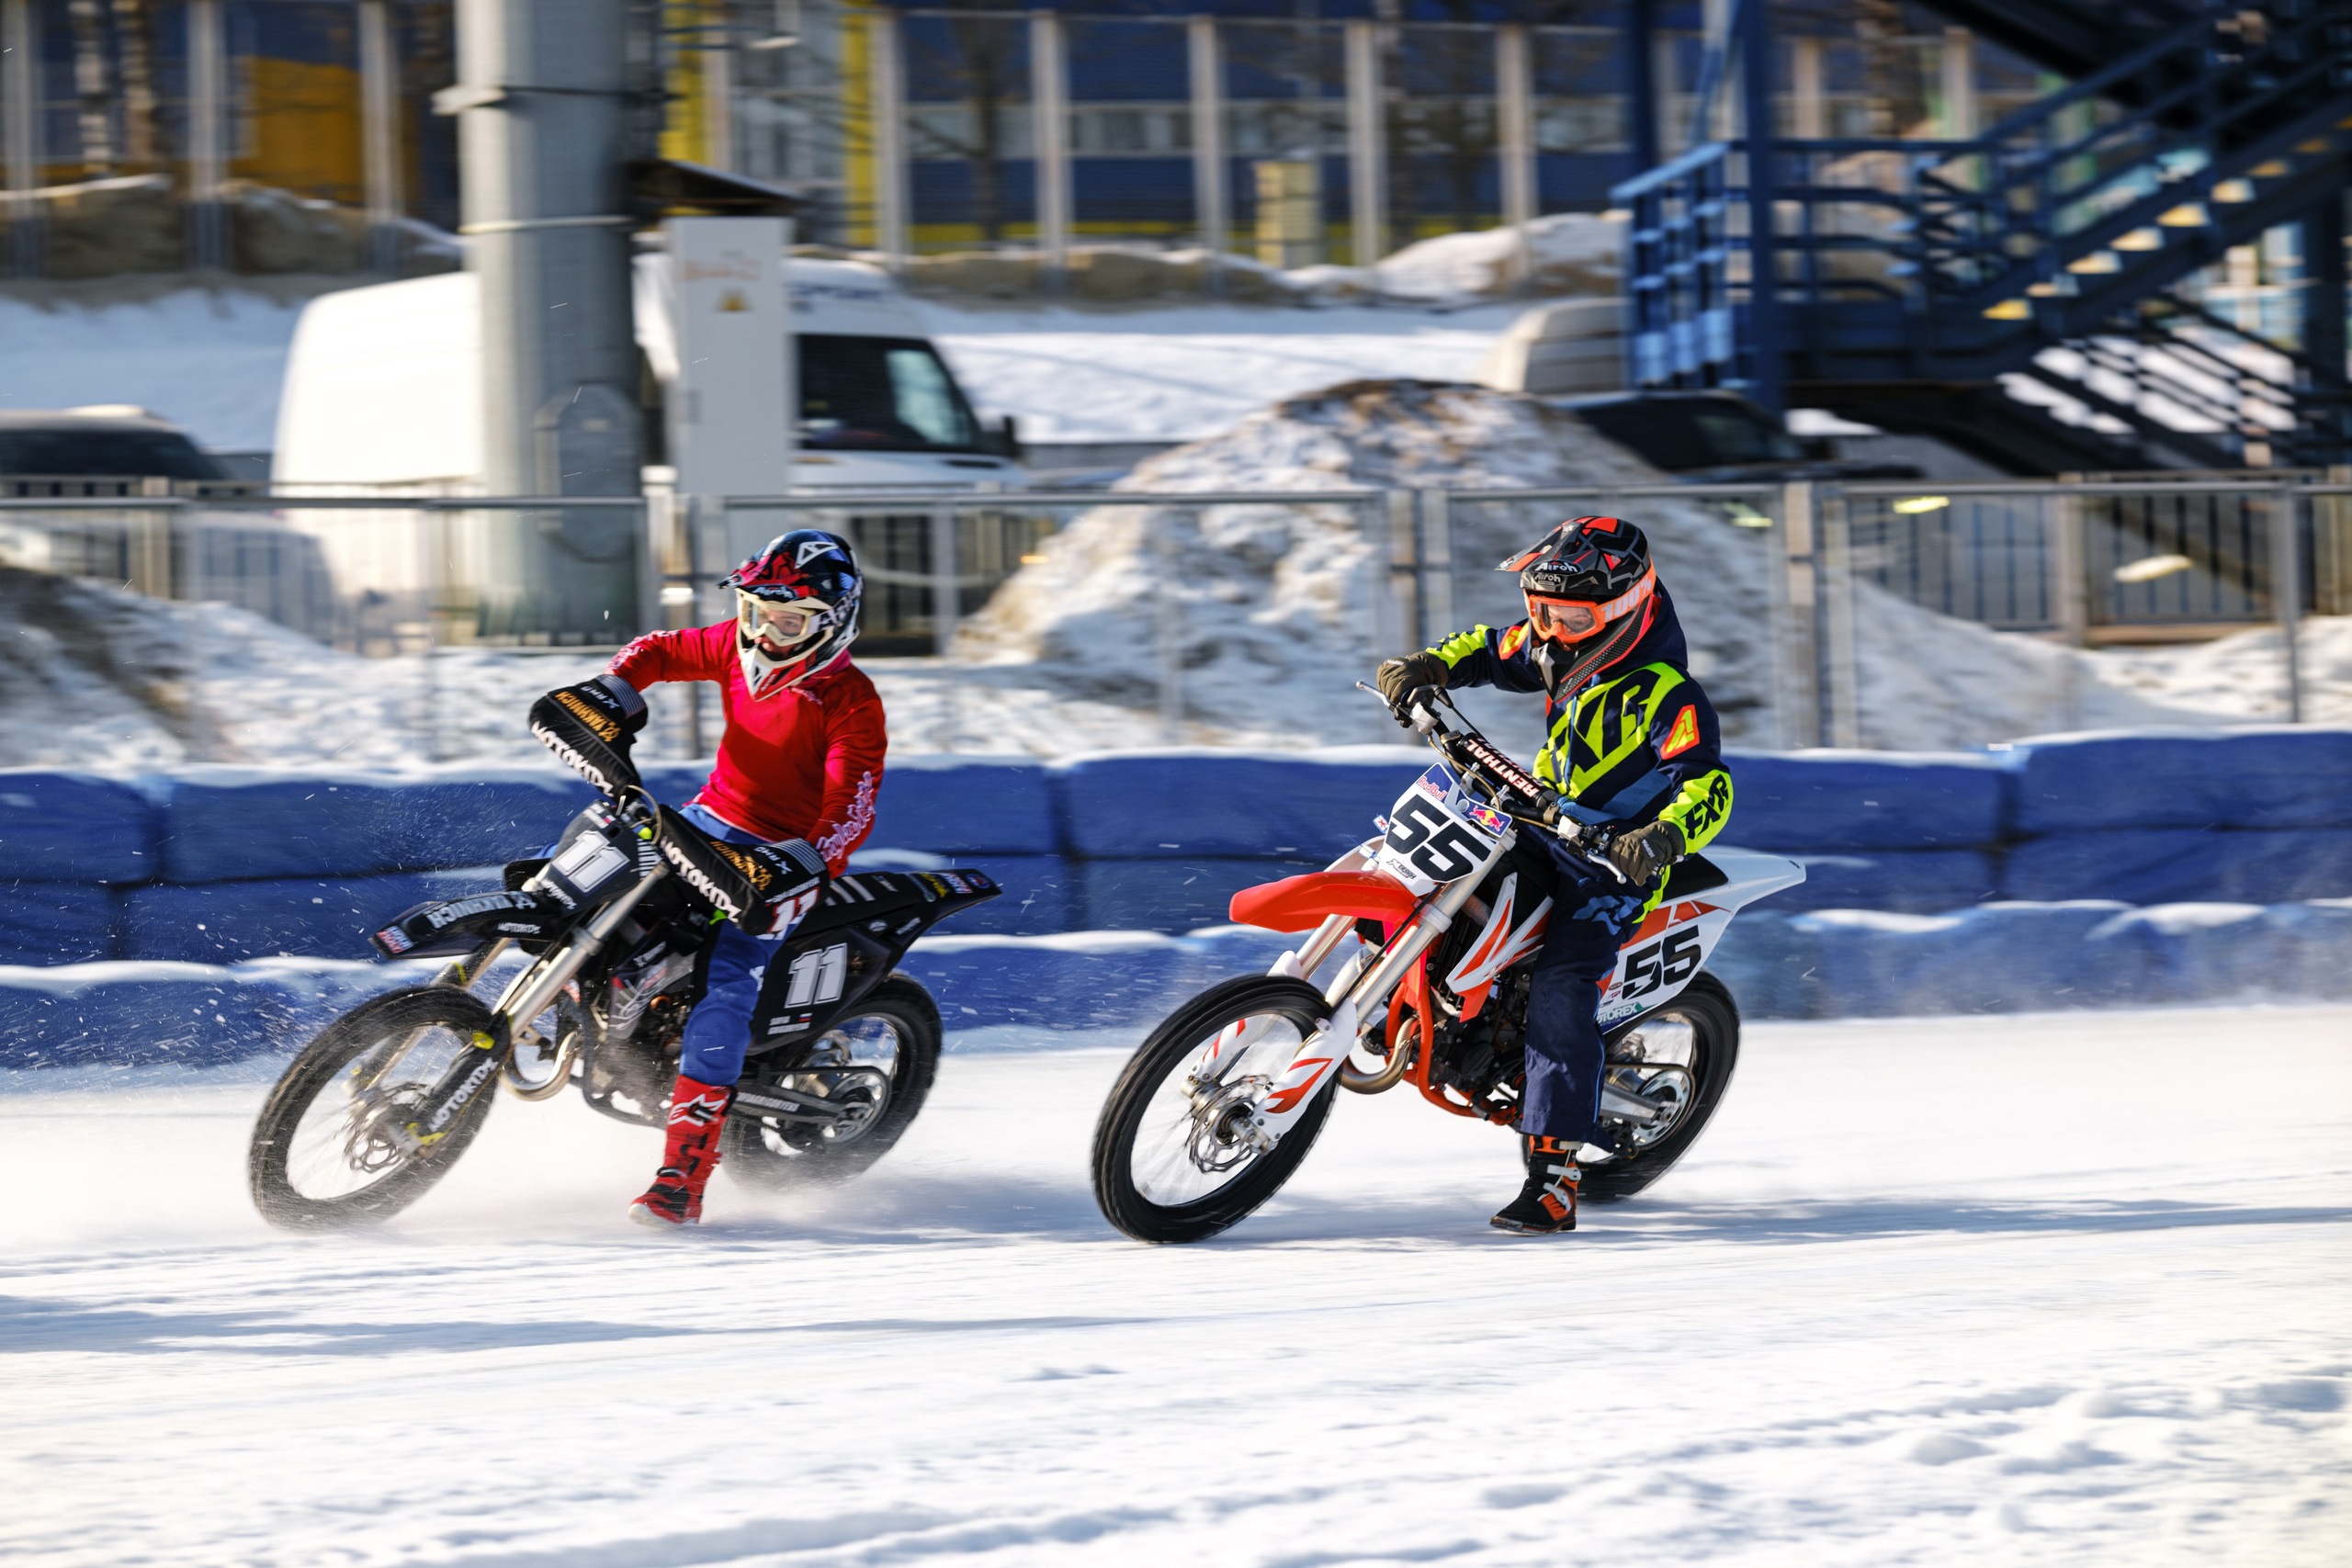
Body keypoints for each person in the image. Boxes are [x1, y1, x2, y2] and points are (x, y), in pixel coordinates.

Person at [1374, 515, 1733, 1235]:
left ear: (1627, 605)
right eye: (1542, 608)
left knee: (1563, 987)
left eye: (1571, 614)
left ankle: (1553, 1178)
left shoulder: (1667, 694)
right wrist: (1428, 667)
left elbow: (1709, 784)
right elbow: (1487, 645)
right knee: (1440, 876)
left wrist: (1660, 836)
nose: (1552, 627)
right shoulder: (1554, 643)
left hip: (1615, 862)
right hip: (1543, 819)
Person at [538, 530, 886, 1229]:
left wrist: (804, 862)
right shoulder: (735, 645)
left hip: (785, 862)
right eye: (757, 611)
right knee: (587, 869)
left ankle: (684, 1177)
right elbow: (661, 649)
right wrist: (613, 689)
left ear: (832, 620)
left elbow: (851, 810)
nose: (765, 631)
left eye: (789, 620)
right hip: (705, 821)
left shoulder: (851, 701)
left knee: (726, 986)